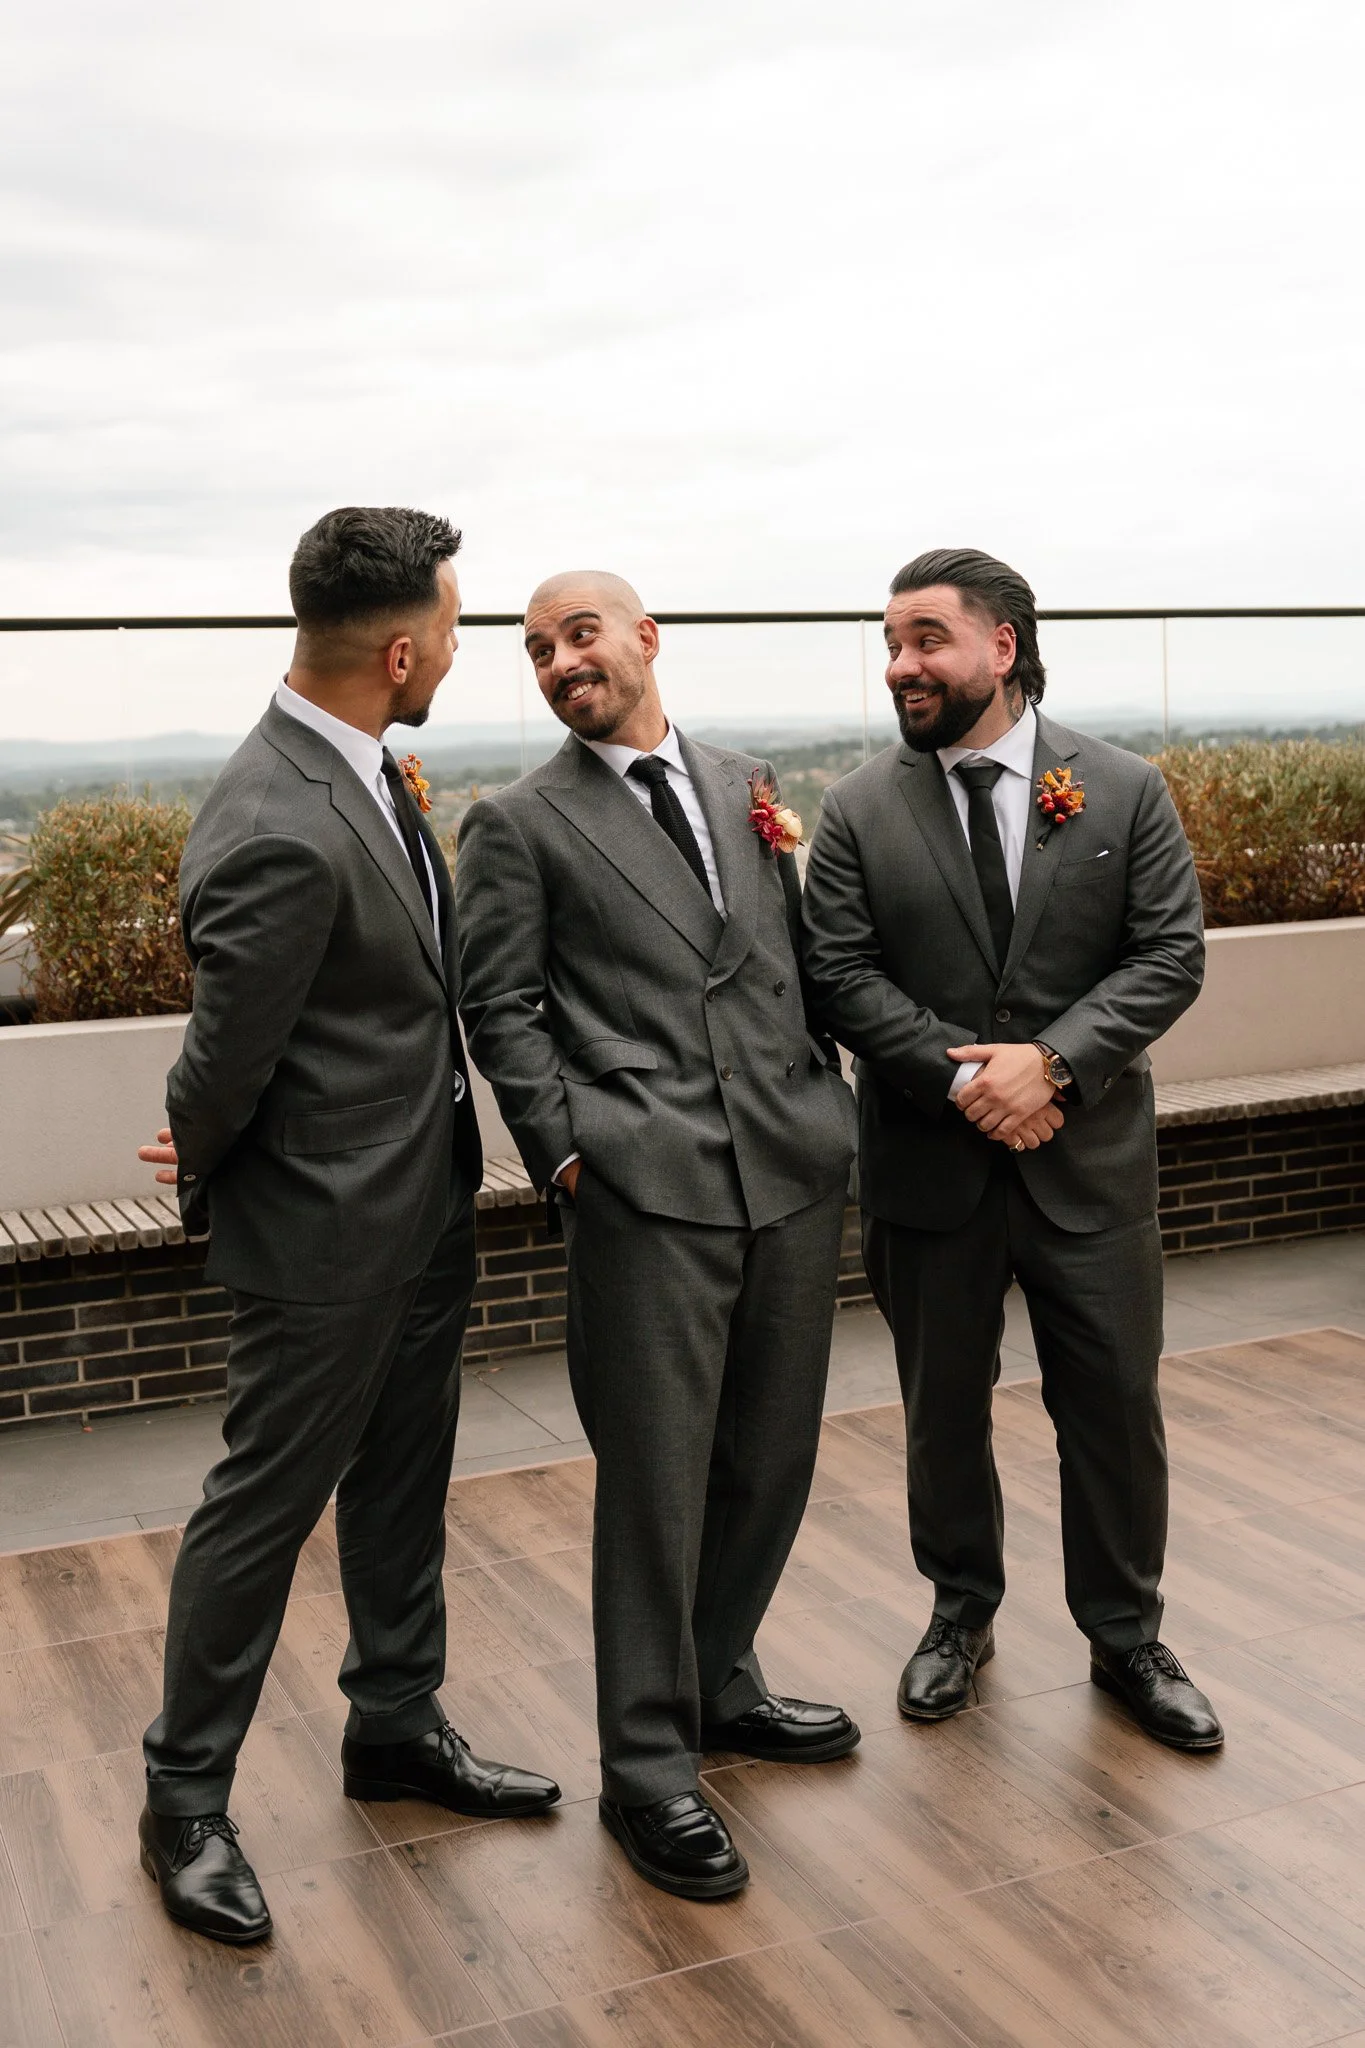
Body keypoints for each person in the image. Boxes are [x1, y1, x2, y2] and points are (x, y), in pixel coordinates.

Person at [135, 506, 559, 1948]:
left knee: (399, 1490)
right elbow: (227, 1051)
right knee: (261, 1513)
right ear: (397, 648)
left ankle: (394, 1729)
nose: (457, 647)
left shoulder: (363, 770)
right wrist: (202, 1149)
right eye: (450, 627)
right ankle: (183, 1802)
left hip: (422, 1204)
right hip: (321, 1239)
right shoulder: (274, 817)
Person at [455, 572, 860, 1900]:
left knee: (771, 1455)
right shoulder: (520, 823)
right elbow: (501, 1005)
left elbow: (791, 954)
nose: (562, 661)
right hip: (646, 1187)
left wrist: (824, 1092)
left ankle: (718, 1678)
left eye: (581, 635)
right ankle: (644, 1770)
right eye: (535, 651)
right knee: (656, 1483)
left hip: (791, 1173)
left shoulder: (747, 778)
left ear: (645, 639)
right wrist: (568, 1152)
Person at [801, 547, 1223, 1752]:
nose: (902, 664)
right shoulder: (858, 808)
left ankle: (1128, 1635)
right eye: (891, 642)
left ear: (1003, 645)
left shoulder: (1126, 789)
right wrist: (978, 1078)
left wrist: (1058, 1063)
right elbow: (837, 975)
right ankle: (958, 1612)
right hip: (931, 1174)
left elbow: (1168, 954)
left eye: (926, 637)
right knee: (942, 1411)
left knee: (1114, 1409)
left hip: (1088, 1169)